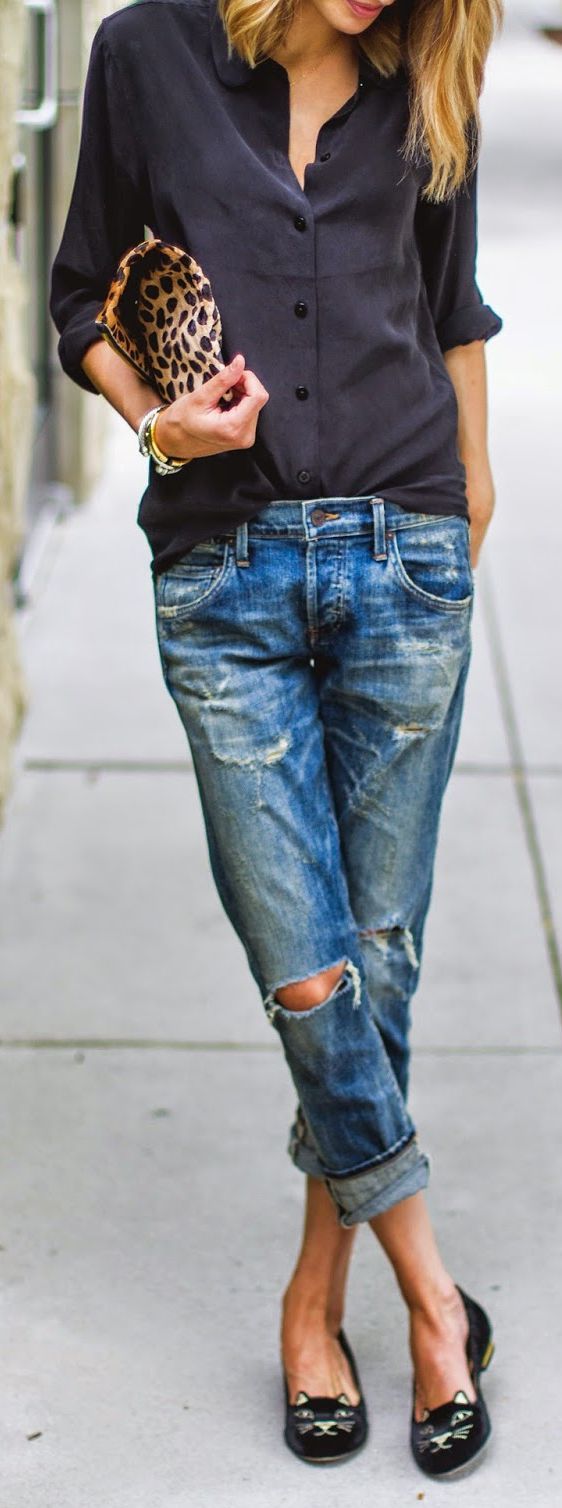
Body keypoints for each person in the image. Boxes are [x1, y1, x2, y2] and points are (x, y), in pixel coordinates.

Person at [49, 0, 503, 1479]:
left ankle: (317, 1303)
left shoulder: (429, 63)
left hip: (403, 559)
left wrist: (469, 501)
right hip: (226, 576)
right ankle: (433, 1298)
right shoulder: (141, 54)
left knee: (374, 956)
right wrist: (166, 427)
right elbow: (79, 306)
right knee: (306, 968)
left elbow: (450, 307)